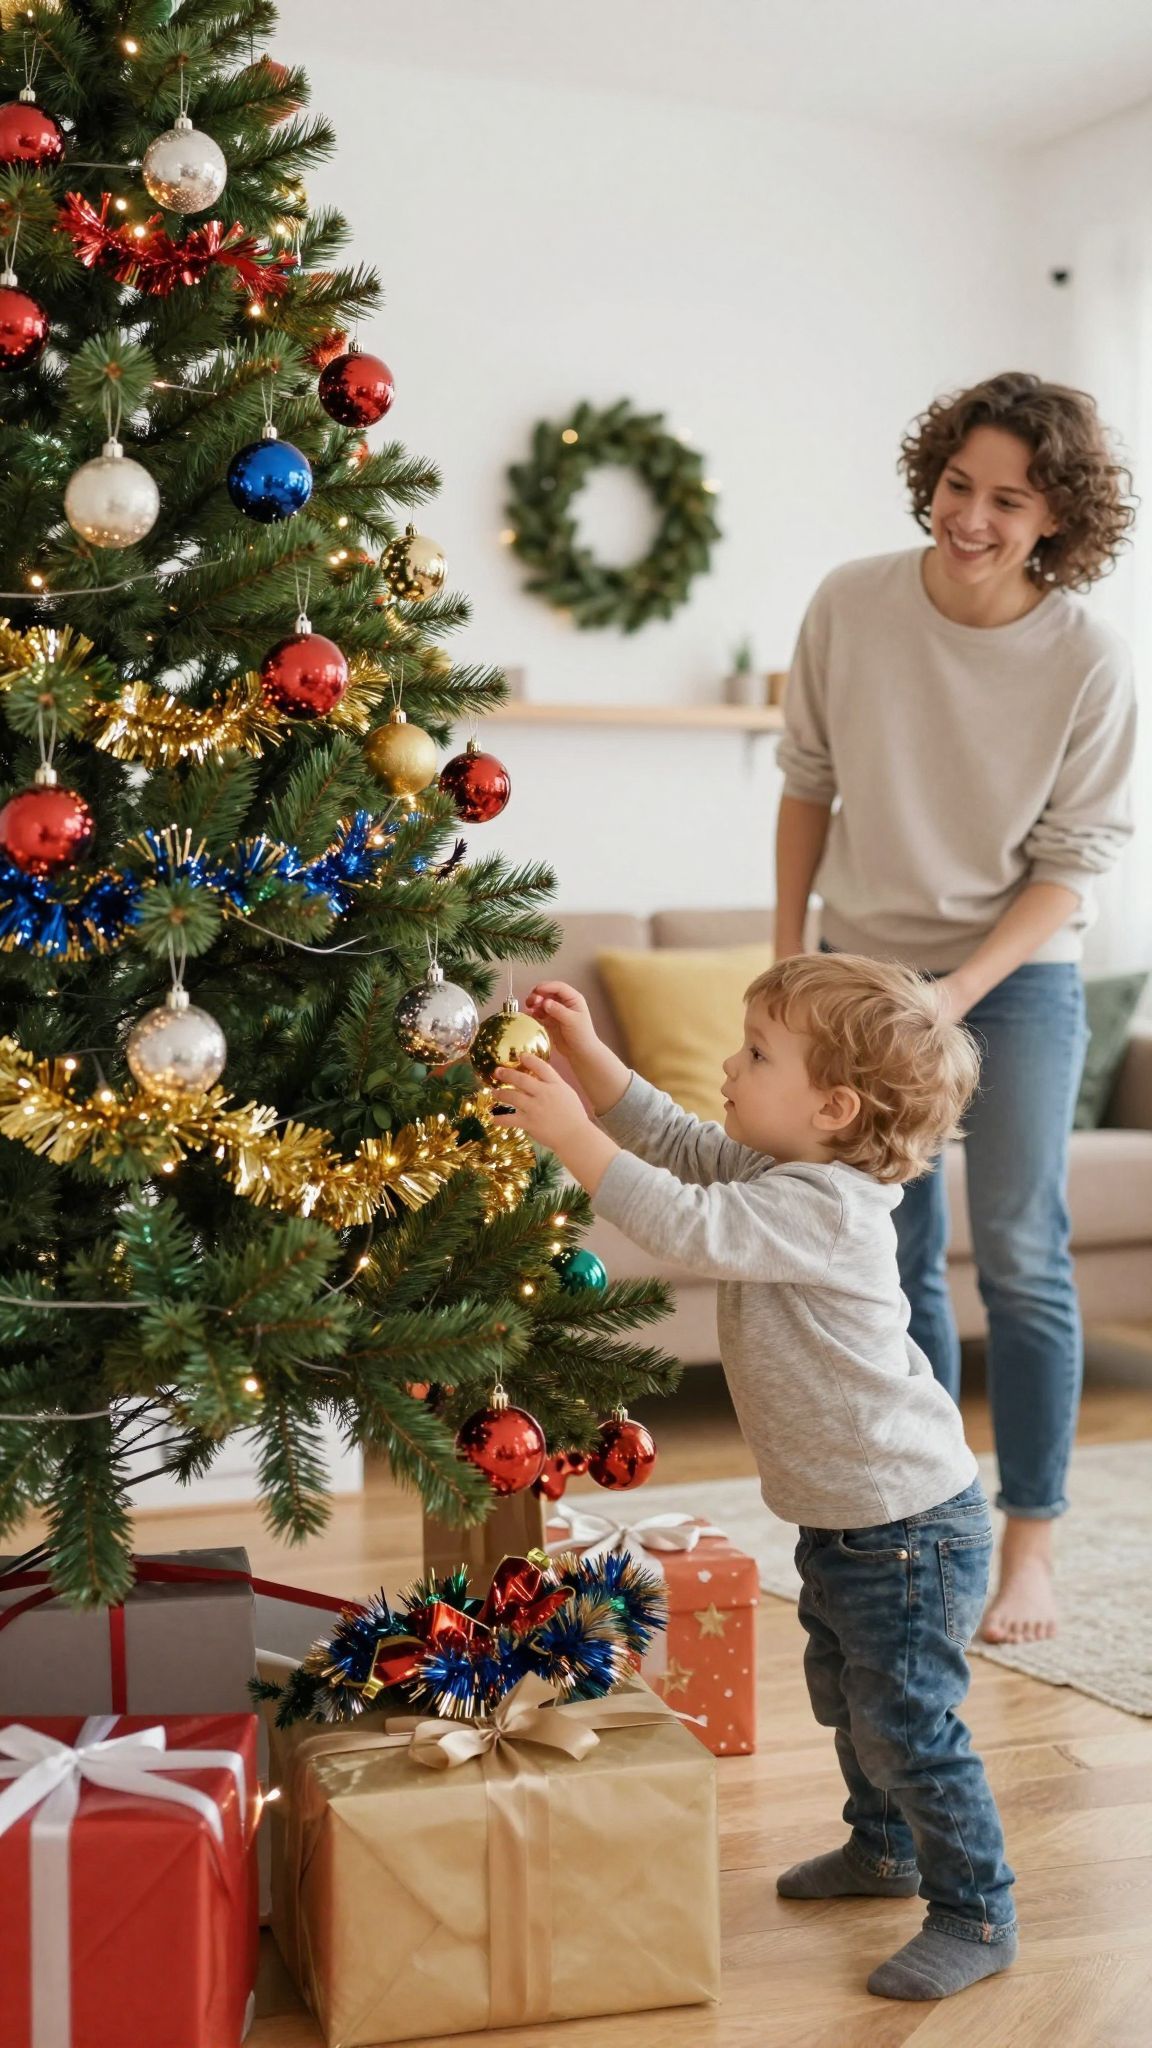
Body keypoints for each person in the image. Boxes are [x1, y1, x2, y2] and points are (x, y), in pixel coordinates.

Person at [497, 956, 1017, 2004]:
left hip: (906, 1525)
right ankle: (884, 1849)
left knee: (907, 1722)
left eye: (756, 1054)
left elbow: (686, 1222)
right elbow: (685, 1147)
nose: (729, 1067)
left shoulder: (828, 1206)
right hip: (850, 1517)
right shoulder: (788, 1172)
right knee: (848, 1693)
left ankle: (977, 1905)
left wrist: (568, 1133)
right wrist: (595, 1060)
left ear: (833, 1106)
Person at [774, 372, 1137, 1644]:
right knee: (896, 1252)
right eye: (956, 486)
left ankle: (1030, 1542)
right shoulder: (852, 603)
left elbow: (1071, 864)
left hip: (1017, 975)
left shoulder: (1088, 657)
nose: (970, 519)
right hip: (866, 962)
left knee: (1023, 1252)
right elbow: (808, 786)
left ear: (1057, 520)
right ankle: (941, 1515)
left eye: (1008, 500)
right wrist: (790, 965)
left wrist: (961, 993)